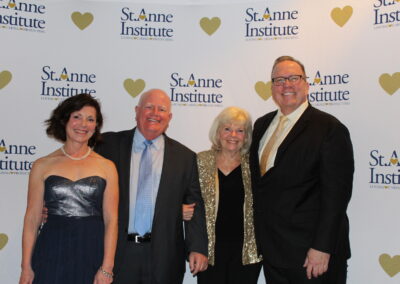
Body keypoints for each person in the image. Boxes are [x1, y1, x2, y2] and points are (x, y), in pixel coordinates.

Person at [249, 56, 354, 284]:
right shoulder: (261, 125)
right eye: (279, 80)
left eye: (293, 78)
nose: (286, 85)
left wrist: (321, 247)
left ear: (306, 84)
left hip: (312, 257)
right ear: (271, 87)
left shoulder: (330, 129)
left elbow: (336, 196)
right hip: (273, 253)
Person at [94, 89, 208, 284]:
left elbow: (195, 206)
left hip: (164, 256)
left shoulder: (185, 157)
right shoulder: (107, 145)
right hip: (117, 252)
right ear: (137, 111)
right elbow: (88, 185)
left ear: (169, 117)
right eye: (149, 107)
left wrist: (197, 247)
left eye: (161, 109)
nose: (155, 113)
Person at [19, 94, 119, 284]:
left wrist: (107, 267)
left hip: (91, 249)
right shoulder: (42, 165)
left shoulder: (107, 167)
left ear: (96, 126)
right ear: (65, 119)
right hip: (51, 248)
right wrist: (26, 267)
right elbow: (32, 219)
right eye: (77, 117)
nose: (83, 124)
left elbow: (112, 220)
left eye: (90, 119)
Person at [183, 107, 262, 284]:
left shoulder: (255, 165)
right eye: (227, 129)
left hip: (246, 254)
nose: (233, 135)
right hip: (208, 253)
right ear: (218, 132)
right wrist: (178, 209)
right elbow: (187, 198)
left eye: (240, 130)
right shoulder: (200, 161)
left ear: (246, 136)